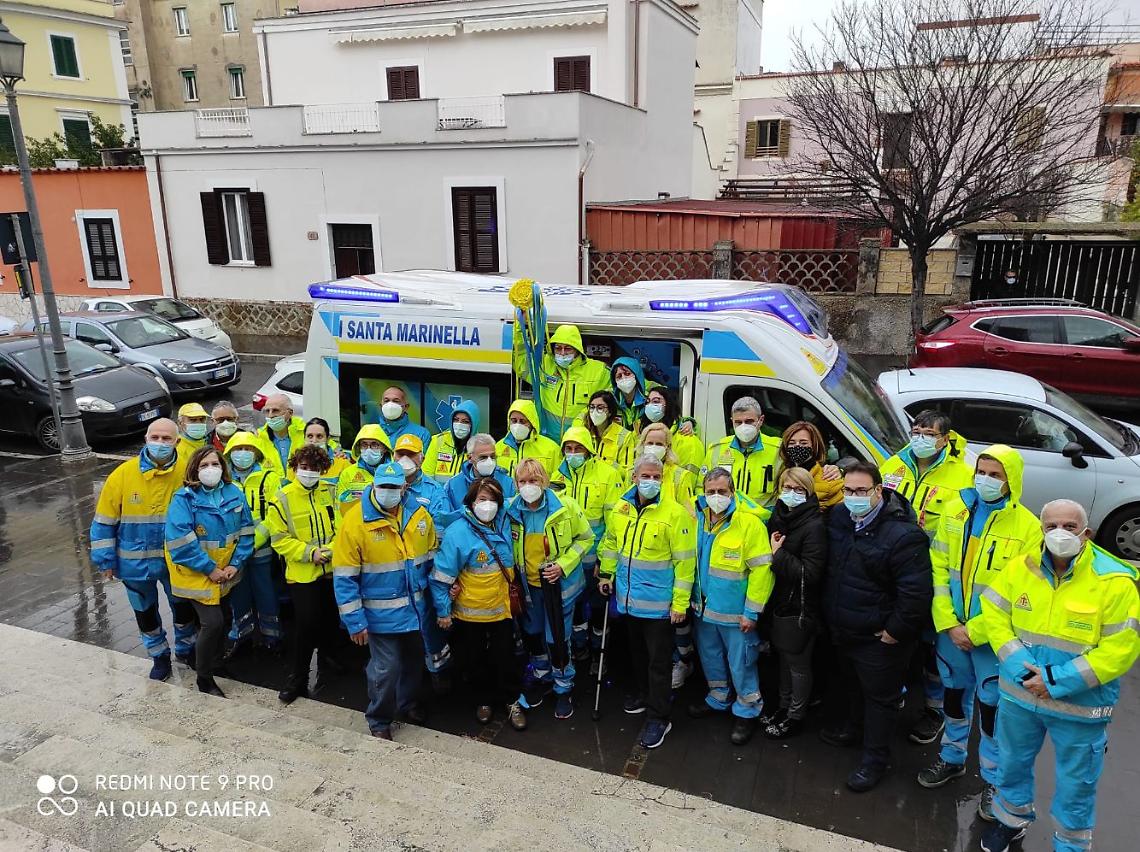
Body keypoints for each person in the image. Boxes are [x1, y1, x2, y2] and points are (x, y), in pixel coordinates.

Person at [980, 500, 1139, 852]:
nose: (1059, 533)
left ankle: (1070, 845)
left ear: (1087, 533)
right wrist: (1024, 670)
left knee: (1077, 783)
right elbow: (994, 615)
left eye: (1069, 527)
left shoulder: (1113, 579)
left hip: (1079, 706)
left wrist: (1054, 680)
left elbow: (1122, 648)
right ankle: (1010, 821)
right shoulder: (1019, 568)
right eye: (1051, 526)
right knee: (1011, 764)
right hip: (1021, 696)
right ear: (1040, 529)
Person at [918, 445, 1042, 814]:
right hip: (951, 630)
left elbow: (1021, 592)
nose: (985, 479)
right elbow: (938, 566)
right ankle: (952, 757)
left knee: (992, 711)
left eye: (995, 474)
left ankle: (993, 781)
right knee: (954, 699)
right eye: (981, 471)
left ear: (1011, 481)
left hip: (993, 640)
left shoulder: (1028, 528)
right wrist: (948, 621)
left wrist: (976, 630)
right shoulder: (957, 510)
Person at [819, 462, 932, 792]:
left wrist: (893, 631)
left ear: (878, 491)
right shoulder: (840, 517)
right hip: (844, 627)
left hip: (879, 637)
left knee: (880, 700)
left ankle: (874, 761)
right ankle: (851, 730)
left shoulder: (903, 535)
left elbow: (915, 593)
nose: (853, 497)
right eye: (848, 491)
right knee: (851, 686)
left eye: (861, 491)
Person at [879, 409, 974, 745]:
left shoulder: (963, 477)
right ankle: (896, 692)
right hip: (893, 570)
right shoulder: (893, 465)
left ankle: (935, 709)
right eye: (916, 431)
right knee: (896, 636)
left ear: (944, 439)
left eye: (928, 434)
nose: (920, 438)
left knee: (934, 647)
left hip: (933, 573)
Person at [333, 461, 437, 740]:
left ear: (404, 487)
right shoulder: (354, 524)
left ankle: (409, 704)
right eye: (383, 486)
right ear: (373, 486)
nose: (389, 492)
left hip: (416, 611)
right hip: (380, 616)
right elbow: (344, 578)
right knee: (386, 670)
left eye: (394, 487)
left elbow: (430, 557)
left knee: (414, 662)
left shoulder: (419, 516)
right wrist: (355, 622)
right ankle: (379, 719)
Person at [598, 454, 696, 750]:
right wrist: (606, 573)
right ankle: (643, 695)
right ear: (634, 477)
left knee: (659, 663)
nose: (651, 481)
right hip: (628, 601)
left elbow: (685, 564)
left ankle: (659, 718)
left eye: (656, 476)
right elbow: (613, 544)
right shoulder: (622, 507)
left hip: (659, 606)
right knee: (637, 655)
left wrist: (680, 604)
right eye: (646, 476)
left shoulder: (675, 514)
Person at [90, 418, 197, 680]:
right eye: (155, 437)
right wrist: (105, 561)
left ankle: (187, 649)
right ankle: (159, 656)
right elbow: (104, 521)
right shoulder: (122, 475)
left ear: (177, 442)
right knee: (145, 614)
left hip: (177, 562)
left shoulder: (187, 473)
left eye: (166, 439)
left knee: (184, 610)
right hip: (135, 564)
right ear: (146, 439)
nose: (160, 443)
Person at [430, 477, 527, 730]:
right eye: (482, 499)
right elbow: (442, 576)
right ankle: (483, 700)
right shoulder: (457, 532)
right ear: (471, 502)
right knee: (474, 660)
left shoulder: (506, 521)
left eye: (493, 499)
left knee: (506, 658)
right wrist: (443, 611)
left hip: (502, 609)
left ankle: (512, 700)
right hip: (469, 613)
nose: (488, 505)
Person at [687, 468, 773, 745]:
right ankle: (718, 698)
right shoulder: (696, 519)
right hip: (703, 608)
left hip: (736, 614)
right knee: (710, 658)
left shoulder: (748, 524)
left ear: (732, 492)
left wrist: (751, 612)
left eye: (722, 492)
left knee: (742, 664)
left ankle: (747, 710)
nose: (716, 497)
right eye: (710, 492)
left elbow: (762, 572)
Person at [164, 446, 254, 697]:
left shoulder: (234, 493)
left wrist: (235, 564)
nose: (210, 469)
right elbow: (181, 543)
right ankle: (204, 678)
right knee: (212, 623)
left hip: (226, 573)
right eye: (204, 466)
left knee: (223, 618)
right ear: (194, 470)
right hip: (196, 575)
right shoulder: (184, 500)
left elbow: (246, 532)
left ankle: (214, 662)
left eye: (214, 464)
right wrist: (210, 569)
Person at [508, 459, 593, 720]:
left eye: (533, 481)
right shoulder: (511, 509)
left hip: (559, 587)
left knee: (556, 638)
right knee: (533, 634)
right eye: (522, 481)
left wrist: (563, 565)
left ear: (543, 481)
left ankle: (563, 687)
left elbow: (586, 538)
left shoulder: (565, 507)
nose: (528, 486)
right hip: (528, 587)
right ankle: (542, 676)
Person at [265, 444, 343, 703]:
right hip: (302, 574)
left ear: (323, 469)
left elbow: (341, 529)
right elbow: (279, 539)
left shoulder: (330, 492)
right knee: (306, 625)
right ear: (295, 468)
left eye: (314, 468)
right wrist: (310, 553)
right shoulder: (282, 497)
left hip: (331, 570)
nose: (309, 472)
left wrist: (330, 550)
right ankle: (297, 677)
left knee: (331, 619)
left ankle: (329, 661)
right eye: (304, 468)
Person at [762, 467, 828, 740]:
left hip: (799, 607)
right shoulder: (778, 516)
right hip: (778, 602)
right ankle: (783, 706)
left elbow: (811, 574)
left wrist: (777, 555)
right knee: (783, 660)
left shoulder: (814, 526)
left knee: (798, 664)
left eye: (798, 489)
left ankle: (795, 714)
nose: (791, 494)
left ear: (809, 492)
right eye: (787, 487)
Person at [551, 425, 625, 665]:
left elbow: (613, 522)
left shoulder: (608, 475)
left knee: (596, 609)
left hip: (594, 558)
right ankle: (579, 648)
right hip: (568, 560)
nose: (573, 453)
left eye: (578, 448)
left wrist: (604, 559)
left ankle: (597, 653)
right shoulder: (556, 476)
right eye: (568, 449)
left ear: (589, 450)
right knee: (575, 609)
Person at [633, 422, 699, 689]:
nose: (655, 447)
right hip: (645, 557)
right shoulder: (634, 472)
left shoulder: (680, 476)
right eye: (651, 441)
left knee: (676, 616)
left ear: (669, 447)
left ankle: (683, 662)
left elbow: (690, 515)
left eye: (660, 443)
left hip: (671, 552)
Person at [393, 433, 452, 685]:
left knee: (429, 626)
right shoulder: (384, 486)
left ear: (422, 457)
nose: (405, 459)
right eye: (400, 454)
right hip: (394, 574)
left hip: (425, 573)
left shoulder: (434, 491)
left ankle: (436, 675)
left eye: (411, 454)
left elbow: (441, 531)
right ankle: (406, 679)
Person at [222, 432, 284, 657]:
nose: (243, 454)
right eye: (238, 449)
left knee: (265, 590)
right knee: (238, 593)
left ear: (256, 453)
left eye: (248, 449)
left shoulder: (269, 478)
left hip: (261, 548)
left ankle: (272, 634)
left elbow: (274, 515)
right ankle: (241, 633)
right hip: (233, 551)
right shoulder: (223, 479)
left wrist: (254, 541)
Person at [512, 322, 609, 440]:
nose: (562, 353)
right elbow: (520, 359)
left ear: (578, 349)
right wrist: (519, 324)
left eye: (567, 348)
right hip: (547, 441)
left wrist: (584, 417)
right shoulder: (544, 364)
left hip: (578, 444)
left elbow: (612, 399)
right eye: (558, 348)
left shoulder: (598, 371)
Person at [702, 396, 781, 504]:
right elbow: (701, 488)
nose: (743, 426)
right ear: (732, 421)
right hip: (728, 518)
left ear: (761, 420)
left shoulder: (777, 450)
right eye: (738, 422)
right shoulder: (716, 449)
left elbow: (783, 490)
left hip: (763, 518)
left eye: (749, 421)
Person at [443, 432, 517, 525]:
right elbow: (446, 518)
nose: (489, 461)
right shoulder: (453, 485)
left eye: (493, 456)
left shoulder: (508, 483)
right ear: (470, 457)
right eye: (483, 457)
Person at [638, 386, 703, 477]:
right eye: (648, 402)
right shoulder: (640, 433)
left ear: (669, 404)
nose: (650, 406)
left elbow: (689, 480)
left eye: (656, 401)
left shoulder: (688, 440)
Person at [775, 421, 842, 509]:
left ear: (814, 445)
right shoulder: (782, 474)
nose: (797, 446)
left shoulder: (828, 479)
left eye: (803, 443)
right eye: (791, 443)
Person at [334, 424, 392, 514]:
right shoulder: (348, 474)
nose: (369, 449)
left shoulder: (396, 473)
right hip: (358, 525)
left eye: (374, 444)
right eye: (364, 445)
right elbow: (340, 508)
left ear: (384, 448)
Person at [495, 399, 561, 477]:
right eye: (514, 421)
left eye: (522, 421)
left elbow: (558, 482)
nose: (517, 425)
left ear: (532, 423)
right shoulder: (498, 447)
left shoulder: (551, 449)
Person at [423, 400, 479, 485]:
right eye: (456, 420)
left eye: (465, 422)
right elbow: (426, 475)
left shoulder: (480, 446)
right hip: (437, 496)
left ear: (474, 424)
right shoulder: (438, 441)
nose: (459, 424)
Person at [582, 390, 636, 470]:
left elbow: (627, 471)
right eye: (592, 407)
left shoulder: (625, 436)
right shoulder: (583, 433)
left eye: (600, 408)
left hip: (612, 480)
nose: (595, 411)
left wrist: (606, 463)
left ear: (610, 411)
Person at [258, 393, 306, 480]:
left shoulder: (306, 432)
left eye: (275, 410)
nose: (270, 415)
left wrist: (338, 452)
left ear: (290, 413)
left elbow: (329, 448)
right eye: (267, 411)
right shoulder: (258, 437)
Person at [304, 417, 351, 487]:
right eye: (310, 436)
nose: (314, 440)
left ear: (328, 439)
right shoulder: (296, 464)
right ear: (304, 438)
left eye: (319, 436)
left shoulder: (343, 463)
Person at [611, 356, 648, 429]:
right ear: (615, 381)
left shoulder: (649, 399)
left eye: (627, 374)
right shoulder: (609, 399)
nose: (623, 378)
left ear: (637, 376)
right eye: (619, 376)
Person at [175, 401, 210, 466]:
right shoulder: (178, 449)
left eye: (202, 419)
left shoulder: (209, 440)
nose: (199, 423)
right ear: (180, 423)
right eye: (193, 420)